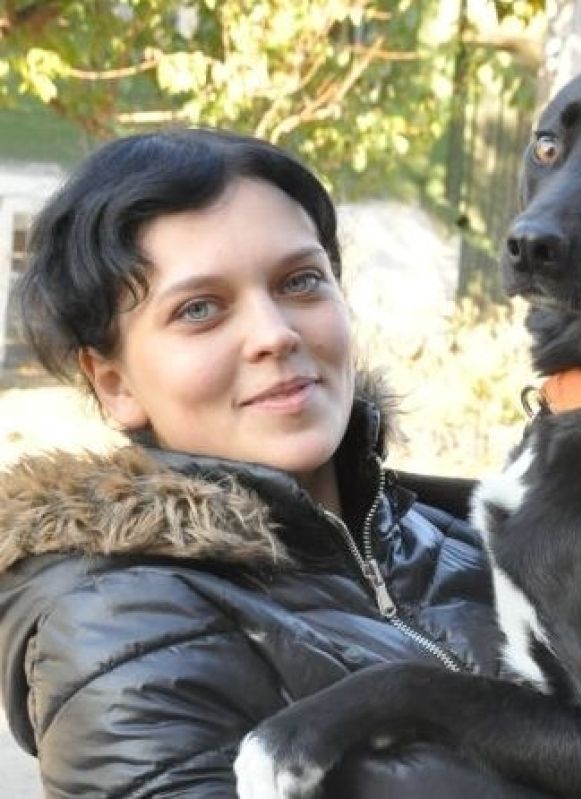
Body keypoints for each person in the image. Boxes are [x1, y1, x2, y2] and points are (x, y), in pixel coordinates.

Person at [0, 129, 544, 798]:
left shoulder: (468, 533)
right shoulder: (118, 625)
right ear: (114, 383)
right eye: (199, 309)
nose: (275, 334)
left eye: (300, 281)